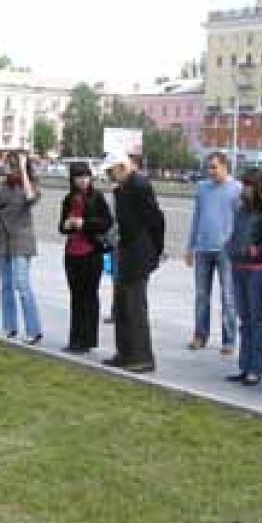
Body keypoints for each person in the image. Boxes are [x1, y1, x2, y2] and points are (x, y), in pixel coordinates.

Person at [101, 153, 165, 373]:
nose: (109, 176)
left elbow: (156, 220)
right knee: (122, 304)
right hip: (126, 249)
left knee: (135, 305)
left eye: (111, 171)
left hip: (138, 250)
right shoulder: (122, 188)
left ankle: (142, 356)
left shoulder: (139, 185)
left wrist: (155, 250)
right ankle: (125, 352)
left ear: (122, 167)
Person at [224, 168, 262, 385]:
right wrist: (230, 246)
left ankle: (256, 368)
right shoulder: (241, 210)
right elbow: (236, 233)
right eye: (244, 185)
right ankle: (245, 365)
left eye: (249, 186)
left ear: (258, 188)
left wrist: (257, 250)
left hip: (256, 270)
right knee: (244, 319)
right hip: (238, 266)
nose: (245, 190)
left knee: (256, 319)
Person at [184, 151, 241, 355]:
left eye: (214, 167)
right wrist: (190, 246)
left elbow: (241, 220)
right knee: (201, 296)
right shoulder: (202, 188)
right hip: (203, 248)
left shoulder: (237, 189)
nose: (211, 171)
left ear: (225, 166)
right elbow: (197, 217)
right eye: (208, 167)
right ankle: (200, 335)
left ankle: (229, 340)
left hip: (226, 250)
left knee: (228, 297)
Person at [58, 162, 113, 354]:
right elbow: (61, 227)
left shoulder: (97, 197)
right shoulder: (68, 199)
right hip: (72, 253)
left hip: (91, 252)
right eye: (79, 177)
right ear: (72, 179)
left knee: (89, 296)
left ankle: (87, 340)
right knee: (76, 297)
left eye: (86, 176)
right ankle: (75, 340)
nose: (83, 180)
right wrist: (66, 225)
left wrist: (84, 223)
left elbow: (106, 222)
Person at [0, 152, 43, 345]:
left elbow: (30, 197)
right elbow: (0, 206)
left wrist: (23, 170)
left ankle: (34, 330)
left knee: (22, 284)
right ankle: (9, 327)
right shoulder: (5, 185)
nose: (5, 169)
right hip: (2, 239)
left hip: (21, 240)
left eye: (10, 166)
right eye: (6, 165)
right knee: (6, 285)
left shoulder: (30, 183)